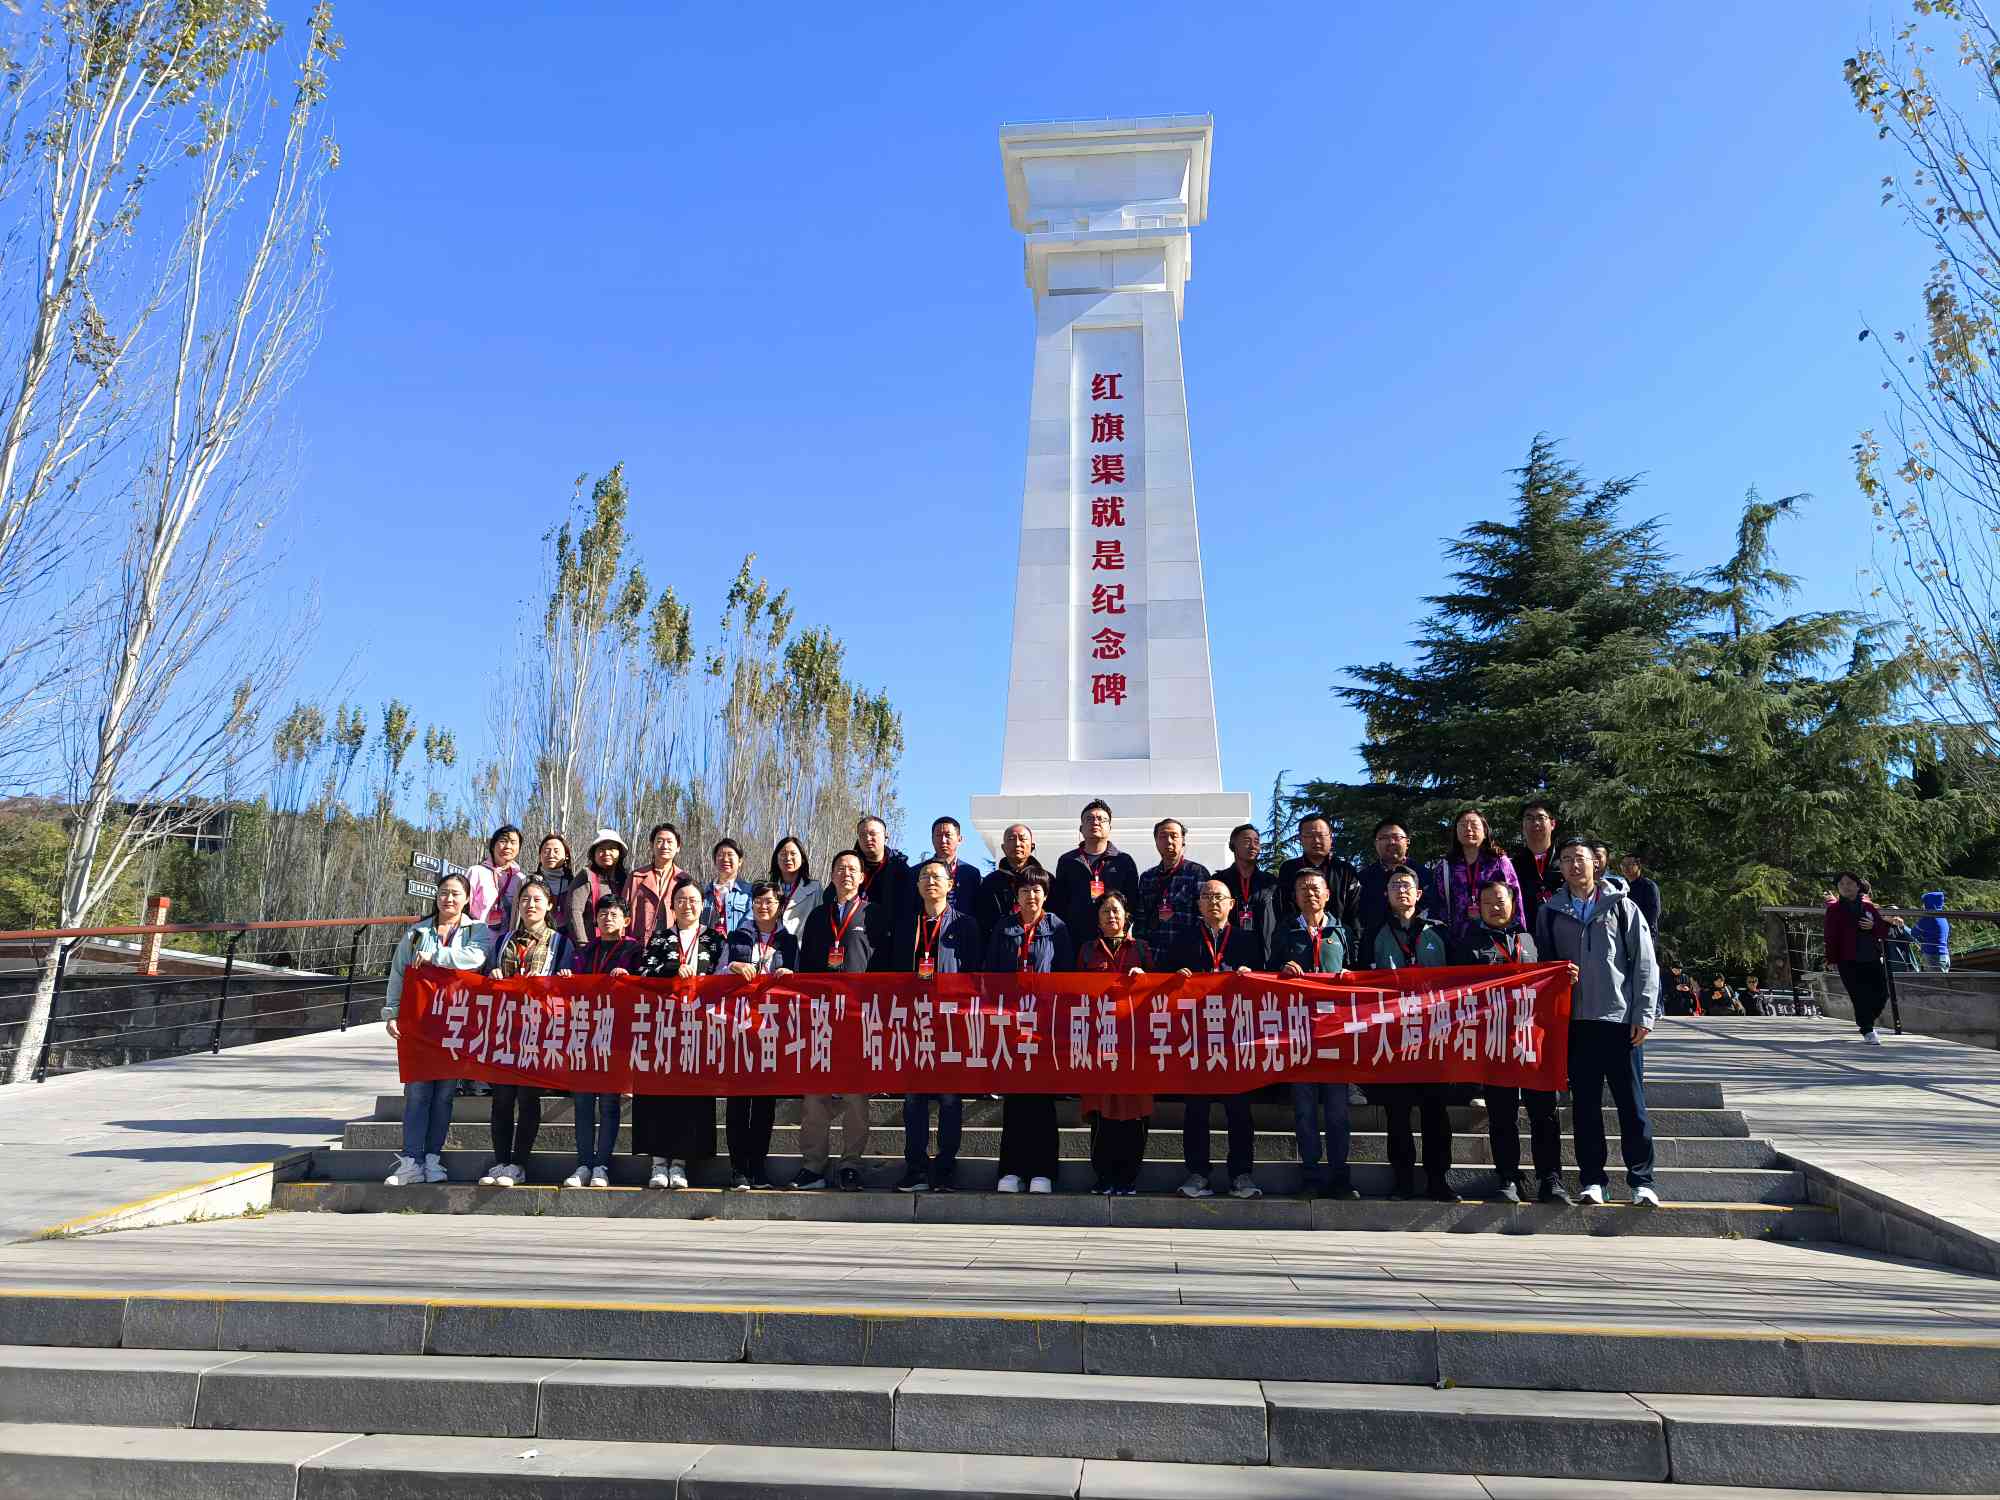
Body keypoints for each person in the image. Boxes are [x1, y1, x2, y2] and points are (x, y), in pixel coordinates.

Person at [1535, 835, 1662, 1207]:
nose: (1574, 865)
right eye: (1567, 860)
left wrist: (1644, 1014)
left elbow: (1644, 963)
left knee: (1632, 1104)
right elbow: (1543, 964)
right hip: (1575, 1022)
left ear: (1596, 864)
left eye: (1581, 859)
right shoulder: (1551, 911)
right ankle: (1593, 1180)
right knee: (1585, 1105)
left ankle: (1642, 1180)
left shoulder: (1623, 907)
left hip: (1620, 1020)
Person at [1452, 879, 1568, 1205]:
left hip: (1534, 1039)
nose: (1495, 906)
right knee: (1502, 1114)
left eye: (1500, 900)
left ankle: (1550, 1179)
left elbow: (1551, 978)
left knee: (1544, 1112)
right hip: (1495, 1041)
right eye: (1487, 902)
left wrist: (1564, 978)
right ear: (1478, 907)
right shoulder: (1468, 945)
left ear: (1513, 903)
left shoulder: (1532, 939)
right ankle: (1507, 1177)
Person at [382, 874, 488, 1187]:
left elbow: (475, 959)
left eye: (456, 894)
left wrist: (436, 957)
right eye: (444, 893)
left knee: (443, 1095)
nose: (449, 899)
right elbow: (398, 973)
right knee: (417, 1093)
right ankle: (410, 1160)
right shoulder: (416, 933)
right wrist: (392, 1013)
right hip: (419, 1022)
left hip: (456, 1021)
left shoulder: (476, 930)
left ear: (467, 898)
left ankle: (432, 1157)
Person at [890, 858, 983, 1193]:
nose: (931, 881)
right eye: (925, 876)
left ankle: (944, 1168)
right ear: (917, 886)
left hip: (950, 1023)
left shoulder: (966, 925)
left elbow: (975, 975)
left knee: (948, 1098)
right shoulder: (905, 925)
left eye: (937, 877)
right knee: (913, 1099)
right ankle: (914, 1168)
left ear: (950, 885)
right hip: (913, 1021)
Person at [1167, 877, 1263, 1200]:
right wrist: (1176, 978)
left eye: (1220, 897)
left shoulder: (1248, 940)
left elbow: (1267, 981)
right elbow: (1164, 982)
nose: (1214, 902)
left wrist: (1253, 976)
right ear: (1198, 905)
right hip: (1196, 1036)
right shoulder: (1183, 940)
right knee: (1196, 1109)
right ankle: (1197, 1174)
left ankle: (1241, 1174)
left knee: (1239, 1109)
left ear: (1232, 904)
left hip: (1236, 1036)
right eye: (1207, 896)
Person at [1365, 867, 1457, 1202]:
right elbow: (1362, 983)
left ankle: (1438, 1179)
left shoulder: (1440, 932)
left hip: (1435, 1033)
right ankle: (1403, 1179)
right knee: (1397, 1112)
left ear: (1419, 894)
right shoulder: (1375, 932)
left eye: (1407, 886)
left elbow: (1461, 979)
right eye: (1394, 886)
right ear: (1386, 894)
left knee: (1436, 1112)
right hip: (1394, 1035)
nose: (1401, 891)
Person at [984, 867, 1073, 1193]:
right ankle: (1011, 1170)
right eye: (1025, 891)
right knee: (1015, 1100)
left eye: (1037, 890)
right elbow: (991, 974)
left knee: (1042, 1101)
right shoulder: (1004, 927)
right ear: (1017, 896)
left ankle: (1043, 1172)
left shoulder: (1057, 928)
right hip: (1011, 1022)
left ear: (1045, 895)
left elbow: (1067, 977)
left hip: (1045, 1024)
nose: (1031, 896)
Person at [1273, 869, 1359, 1202]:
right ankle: (1310, 1175)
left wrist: (1352, 975)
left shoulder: (1343, 932)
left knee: (1337, 1111)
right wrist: (1284, 971)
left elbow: (1361, 973)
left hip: (1336, 1033)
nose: (1310, 893)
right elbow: (1268, 970)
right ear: (1294, 897)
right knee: (1305, 1110)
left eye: (1316, 888)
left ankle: (1341, 1176)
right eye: (1303, 888)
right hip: (1299, 1032)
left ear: (1327, 894)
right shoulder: (1285, 932)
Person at [480, 878, 571, 1188]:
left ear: (548, 906)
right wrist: (492, 975)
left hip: (538, 1028)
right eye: (524, 900)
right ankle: (500, 1161)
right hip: (505, 1027)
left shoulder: (560, 943)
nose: (530, 905)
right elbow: (484, 979)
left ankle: (519, 1164)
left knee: (528, 1098)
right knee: (502, 1099)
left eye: (536, 900)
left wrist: (552, 982)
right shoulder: (503, 940)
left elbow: (568, 987)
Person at [633, 877, 722, 1188]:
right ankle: (659, 1161)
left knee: (690, 1096)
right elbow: (643, 974)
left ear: (703, 905)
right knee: (659, 1093)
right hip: (663, 1026)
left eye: (694, 900)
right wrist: (670, 972)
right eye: (681, 900)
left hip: (699, 1027)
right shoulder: (659, 939)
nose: (687, 905)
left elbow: (721, 977)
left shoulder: (713, 939)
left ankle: (681, 1162)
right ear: (671, 907)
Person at [796, 851, 877, 1189]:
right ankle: (813, 1166)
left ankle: (851, 1164)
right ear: (831, 875)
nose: (846, 874)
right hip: (823, 1016)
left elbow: (881, 963)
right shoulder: (818, 917)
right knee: (815, 1095)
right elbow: (806, 967)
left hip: (859, 1016)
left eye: (852, 869)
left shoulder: (874, 914)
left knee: (855, 1096)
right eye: (840, 868)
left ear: (861, 878)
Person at [554, 895, 640, 1188]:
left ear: (626, 920)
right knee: (583, 1102)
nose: (607, 919)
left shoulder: (633, 949)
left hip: (617, 1034)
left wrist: (630, 978)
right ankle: (583, 1164)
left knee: (609, 1103)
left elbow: (645, 987)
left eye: (614, 914)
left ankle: (601, 1164)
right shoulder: (585, 950)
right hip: (584, 1033)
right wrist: (568, 977)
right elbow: (572, 987)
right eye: (602, 914)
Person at [723, 881, 800, 1190]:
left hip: (772, 1028)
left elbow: (802, 981)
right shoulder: (737, 936)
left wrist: (791, 976)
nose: (763, 906)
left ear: (779, 905)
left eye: (769, 901)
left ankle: (758, 1166)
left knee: (765, 1102)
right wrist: (733, 965)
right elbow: (716, 974)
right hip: (739, 1026)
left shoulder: (790, 942)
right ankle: (738, 1168)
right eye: (758, 901)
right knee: (738, 1100)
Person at [1074, 890, 1151, 1195]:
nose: (1111, 916)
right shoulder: (1086, 952)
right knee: (1101, 1112)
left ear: (1127, 916)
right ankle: (1104, 1176)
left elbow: (1161, 991)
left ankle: (1128, 1178)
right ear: (1097, 918)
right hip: (1099, 1041)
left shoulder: (1142, 950)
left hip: (1135, 1043)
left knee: (1134, 1112)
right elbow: (1074, 991)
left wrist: (1146, 977)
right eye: (1105, 911)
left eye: (1116, 910)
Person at [1052, 798, 1142, 941]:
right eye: (1089, 819)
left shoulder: (1124, 861)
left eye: (1101, 819)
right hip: (1075, 938)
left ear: (1110, 828)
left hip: (1114, 937)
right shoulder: (1067, 861)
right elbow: (1060, 902)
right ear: (1081, 829)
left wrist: (1123, 930)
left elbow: (1132, 901)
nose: (1095, 822)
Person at [1433, 807, 1523, 941]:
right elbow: (1438, 905)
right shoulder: (1445, 866)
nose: (1468, 829)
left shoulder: (1499, 862)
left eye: (1474, 825)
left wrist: (1519, 936)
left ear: (1485, 831)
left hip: (1496, 938)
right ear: (1456, 832)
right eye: (1463, 825)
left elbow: (1516, 899)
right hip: (1457, 939)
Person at [1824, 873, 1894, 1045]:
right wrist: (1831, 959)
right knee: (1859, 996)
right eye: (1841, 884)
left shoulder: (1868, 906)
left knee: (1881, 994)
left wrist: (1874, 926)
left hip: (1870, 956)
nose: (1845, 887)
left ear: (1857, 886)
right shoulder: (1834, 909)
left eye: (1849, 883)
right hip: (1847, 960)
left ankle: (1867, 1020)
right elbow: (1830, 935)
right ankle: (1867, 1029)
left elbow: (1883, 931)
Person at [1277, 813, 1360, 947]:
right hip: (1298, 941)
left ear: (1330, 837)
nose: (1316, 840)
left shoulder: (1345, 870)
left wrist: (1353, 944)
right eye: (1309, 836)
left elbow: (1355, 912)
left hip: (1339, 940)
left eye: (1321, 835)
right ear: (1300, 839)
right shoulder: (1289, 869)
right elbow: (1284, 909)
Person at [1137, 818, 1211, 957]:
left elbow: (1206, 916)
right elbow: (1141, 918)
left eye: (1174, 836)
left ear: (1183, 840)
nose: (1169, 841)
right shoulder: (1147, 877)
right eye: (1163, 836)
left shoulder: (1197, 873)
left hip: (1188, 956)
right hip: (1154, 955)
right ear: (1156, 842)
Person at [1355, 819, 1439, 936]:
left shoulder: (1425, 875)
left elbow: (1434, 908)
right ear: (1376, 843)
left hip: (1419, 940)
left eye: (1397, 837)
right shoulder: (1363, 878)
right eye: (1384, 837)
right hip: (1375, 943)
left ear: (1407, 842)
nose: (1391, 842)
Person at [1219, 822, 1278, 965]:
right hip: (1228, 956)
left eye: (1256, 842)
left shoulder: (1271, 882)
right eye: (1247, 841)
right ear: (1233, 845)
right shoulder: (1220, 881)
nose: (1253, 846)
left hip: (1264, 956)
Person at [977, 822, 1049, 937]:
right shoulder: (990, 882)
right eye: (1011, 839)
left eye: (1022, 839)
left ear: (1032, 846)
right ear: (1003, 847)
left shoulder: (1047, 880)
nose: (1017, 844)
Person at [907, 816, 982, 926]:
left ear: (959, 839)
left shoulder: (971, 873)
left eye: (948, 835)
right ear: (932, 839)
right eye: (938, 835)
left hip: (962, 932)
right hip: (925, 932)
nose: (943, 840)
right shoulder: (916, 872)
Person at [624, 822, 684, 951]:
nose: (664, 846)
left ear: (678, 847)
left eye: (669, 841)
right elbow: (622, 913)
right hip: (638, 947)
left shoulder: (684, 880)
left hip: (673, 948)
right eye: (660, 841)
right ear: (651, 845)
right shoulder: (636, 877)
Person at [566, 828, 629, 949]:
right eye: (601, 849)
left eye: (611, 848)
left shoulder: (625, 879)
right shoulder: (586, 876)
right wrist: (582, 944)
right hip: (591, 946)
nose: (606, 853)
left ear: (619, 853)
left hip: (620, 946)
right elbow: (574, 911)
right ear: (594, 854)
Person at [1509, 801, 1564, 939]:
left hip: (1565, 932)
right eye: (1529, 818)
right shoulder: (1511, 866)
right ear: (1523, 826)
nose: (1535, 823)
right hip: (1526, 935)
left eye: (1541, 817)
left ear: (1552, 824)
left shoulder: (1566, 859)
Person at [466, 824, 524, 942]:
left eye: (513, 842)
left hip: (506, 946)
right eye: (503, 841)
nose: (508, 846)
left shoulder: (521, 879)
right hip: (475, 942)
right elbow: (463, 907)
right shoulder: (476, 872)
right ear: (493, 845)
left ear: (518, 848)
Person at [852, 813, 909, 916]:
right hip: (852, 925)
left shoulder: (899, 868)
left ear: (885, 836)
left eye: (872, 834)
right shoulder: (850, 865)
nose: (867, 838)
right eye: (862, 835)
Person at [769, 836, 821, 942]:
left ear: (802, 859)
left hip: (801, 950)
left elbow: (820, 923)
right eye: (783, 854)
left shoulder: (814, 888)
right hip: (770, 949)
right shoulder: (768, 888)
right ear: (776, 859)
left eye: (793, 854)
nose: (788, 858)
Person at [703, 838, 753, 944]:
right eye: (720, 855)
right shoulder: (702, 893)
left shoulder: (749, 892)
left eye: (730, 854)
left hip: (736, 950)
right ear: (715, 861)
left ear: (740, 861)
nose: (725, 859)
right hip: (707, 951)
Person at [532, 833, 576, 923]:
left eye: (556, 851)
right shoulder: (529, 883)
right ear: (540, 857)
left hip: (567, 936)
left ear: (566, 856)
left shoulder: (574, 884)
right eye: (546, 851)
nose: (551, 855)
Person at [1618, 854, 1662, 933]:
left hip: (1645, 933)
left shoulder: (1648, 886)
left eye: (1629, 864)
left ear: (1638, 866)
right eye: (1623, 865)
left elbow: (1653, 914)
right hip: (1626, 933)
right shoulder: (1621, 886)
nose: (1625, 867)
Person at [1915, 891, 1952, 972]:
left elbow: (1914, 933)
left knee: (1934, 982)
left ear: (1929, 904)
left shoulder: (1928, 918)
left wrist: (1902, 925)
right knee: (1942, 982)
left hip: (1933, 956)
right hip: (1945, 956)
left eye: (1924, 903)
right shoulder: (1943, 918)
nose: (1923, 906)